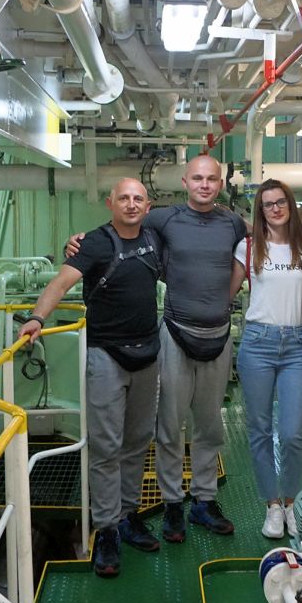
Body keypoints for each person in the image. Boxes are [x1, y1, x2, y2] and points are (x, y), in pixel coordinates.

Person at [67, 154, 246, 542]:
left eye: (211, 179)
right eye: (197, 178)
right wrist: (79, 241)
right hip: (176, 334)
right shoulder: (163, 218)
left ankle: (204, 500)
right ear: (184, 182)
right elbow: (119, 228)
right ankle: (172, 504)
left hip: (218, 336)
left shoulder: (233, 223)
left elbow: (262, 242)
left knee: (210, 425)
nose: (204, 185)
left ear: (220, 184)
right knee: (169, 425)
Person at [20, 178, 164, 579]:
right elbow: (61, 282)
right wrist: (37, 317)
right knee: (106, 446)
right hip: (106, 356)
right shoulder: (94, 243)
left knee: (137, 441)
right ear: (110, 203)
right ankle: (107, 529)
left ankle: (128, 515)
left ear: (147, 206)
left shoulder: (155, 237)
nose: (131, 204)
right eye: (124, 198)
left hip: (147, 354)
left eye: (138, 199)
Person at [230, 179, 302, 539]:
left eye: (281, 202)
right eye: (268, 204)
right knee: (260, 430)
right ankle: (272, 505)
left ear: (291, 206)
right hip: (258, 344)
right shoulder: (248, 246)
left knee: (292, 433)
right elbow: (226, 292)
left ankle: (291, 502)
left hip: (297, 345)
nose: (276, 208)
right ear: (260, 210)